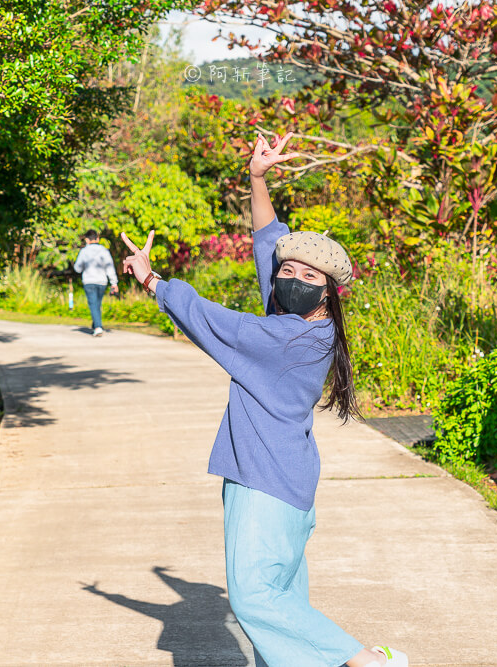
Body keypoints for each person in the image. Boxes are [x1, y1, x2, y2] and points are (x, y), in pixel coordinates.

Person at [120, 133, 408, 667]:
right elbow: (268, 239)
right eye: (288, 271)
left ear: (330, 289)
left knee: (255, 598)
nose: (293, 278)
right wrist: (258, 178)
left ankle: (367, 659)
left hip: (263, 481)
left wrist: (154, 280)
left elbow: (212, 321)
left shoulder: (281, 339)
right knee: (284, 597)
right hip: (290, 481)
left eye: (309, 275)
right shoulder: (307, 326)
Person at [73, 230, 119, 337]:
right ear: (97, 238)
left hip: (89, 281)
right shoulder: (104, 251)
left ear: (86, 240)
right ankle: (95, 325)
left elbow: (77, 268)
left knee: (93, 304)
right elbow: (110, 267)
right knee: (96, 304)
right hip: (102, 281)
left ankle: (98, 327)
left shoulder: (84, 251)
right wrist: (114, 283)